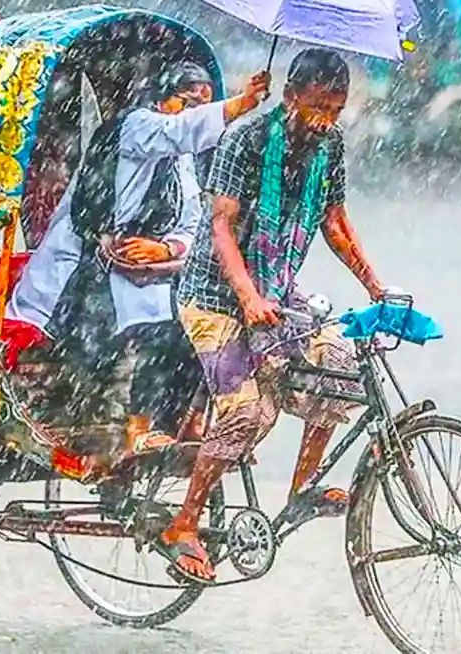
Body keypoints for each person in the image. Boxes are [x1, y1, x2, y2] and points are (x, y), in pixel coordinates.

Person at [156, 48, 384, 583]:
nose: (325, 118)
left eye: (335, 107)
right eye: (316, 107)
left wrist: (375, 284)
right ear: (289, 97)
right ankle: (183, 523)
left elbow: (334, 221)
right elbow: (220, 226)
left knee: (340, 366)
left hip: (278, 290)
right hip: (214, 296)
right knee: (250, 412)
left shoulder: (329, 146)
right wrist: (247, 296)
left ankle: (302, 486)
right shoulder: (247, 140)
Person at [1, 61, 271, 463]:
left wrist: (167, 250)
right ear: (165, 100)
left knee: (198, 321)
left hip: (147, 271)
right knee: (156, 329)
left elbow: (192, 222)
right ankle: (137, 430)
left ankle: (183, 421)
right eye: (188, 102)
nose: (193, 113)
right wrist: (244, 102)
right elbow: (179, 131)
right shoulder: (136, 127)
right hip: (86, 267)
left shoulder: (180, 160)